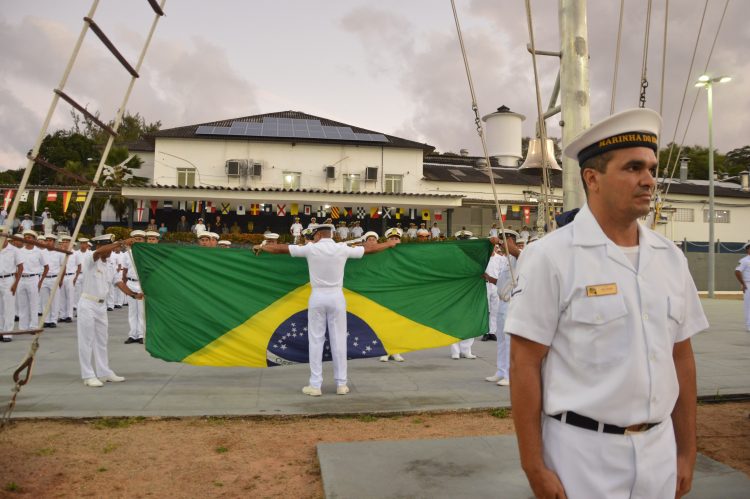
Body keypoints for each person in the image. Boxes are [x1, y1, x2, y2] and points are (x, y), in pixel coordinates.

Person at [506, 108, 709, 498]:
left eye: (651, 169)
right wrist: (534, 466)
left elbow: (681, 356)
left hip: (659, 448)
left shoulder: (669, 257)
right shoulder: (552, 256)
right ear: (592, 178)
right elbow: (524, 363)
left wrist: (686, 450)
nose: (648, 180)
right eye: (633, 168)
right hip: (582, 454)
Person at [256, 223, 398, 396]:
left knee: (316, 341)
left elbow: (281, 249)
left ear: (317, 235)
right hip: (337, 297)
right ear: (330, 234)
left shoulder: (310, 249)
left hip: (317, 297)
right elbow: (370, 249)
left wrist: (262, 247)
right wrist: (389, 244)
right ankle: (341, 385)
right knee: (339, 341)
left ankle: (315, 385)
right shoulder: (342, 248)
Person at [77, 235, 135, 387]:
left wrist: (134, 295)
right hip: (88, 303)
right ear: (99, 246)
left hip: (101, 307)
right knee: (86, 341)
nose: (111, 252)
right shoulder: (91, 258)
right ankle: (88, 375)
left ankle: (104, 372)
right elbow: (99, 253)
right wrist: (121, 243)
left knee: (102, 340)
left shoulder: (109, 264)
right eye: (108, 248)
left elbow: (119, 282)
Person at [379, 228, 405, 363]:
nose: (394, 240)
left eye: (396, 238)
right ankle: (385, 351)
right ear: (387, 240)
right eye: (392, 238)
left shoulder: (406, 254)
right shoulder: (381, 252)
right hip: (385, 290)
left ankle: (396, 351)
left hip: (400, 291)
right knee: (384, 322)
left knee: (398, 322)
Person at [16, 230, 47, 331]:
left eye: (29, 237)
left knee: (33, 303)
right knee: (22, 304)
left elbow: (46, 267)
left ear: (34, 239)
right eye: (25, 237)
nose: (26, 239)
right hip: (21, 279)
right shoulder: (19, 251)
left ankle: (33, 326)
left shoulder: (39, 252)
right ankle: (23, 327)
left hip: (33, 279)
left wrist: (40, 281)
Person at [121, 230, 147, 344]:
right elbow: (125, 271)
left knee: (141, 311)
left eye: (140, 239)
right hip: (131, 283)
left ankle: (141, 334)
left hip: (141, 284)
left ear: (144, 240)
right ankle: (133, 334)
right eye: (135, 239)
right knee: (132, 311)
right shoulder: (127, 254)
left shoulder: (146, 253)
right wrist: (124, 284)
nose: (137, 241)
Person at [0, 229, 22, 341]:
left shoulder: (13, 250)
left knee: (9, 308)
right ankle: (1, 331)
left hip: (9, 280)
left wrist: (15, 284)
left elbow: (21, 267)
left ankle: (8, 333)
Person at [40, 234, 64, 328]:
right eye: (47, 240)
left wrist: (61, 280)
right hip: (44, 278)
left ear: (54, 242)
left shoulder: (59, 253)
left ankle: (53, 320)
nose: (48, 242)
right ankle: (46, 320)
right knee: (44, 301)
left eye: (50, 240)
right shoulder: (42, 252)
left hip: (54, 278)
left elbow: (63, 267)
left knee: (55, 300)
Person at [57, 236, 77, 323]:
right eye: (63, 241)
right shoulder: (60, 253)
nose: (64, 243)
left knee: (70, 296)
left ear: (70, 243)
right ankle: (62, 315)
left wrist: (75, 277)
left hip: (71, 275)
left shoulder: (75, 253)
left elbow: (79, 266)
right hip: (62, 276)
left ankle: (69, 315)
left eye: (66, 241)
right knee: (62, 297)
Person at [735, 242, 750, 332]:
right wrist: (743, 284)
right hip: (748, 284)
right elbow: (737, 271)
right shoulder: (744, 260)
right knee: (748, 305)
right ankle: (749, 325)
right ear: (747, 249)